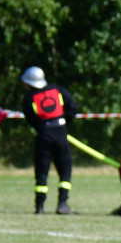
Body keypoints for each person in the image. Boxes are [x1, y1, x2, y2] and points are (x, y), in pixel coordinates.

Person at [21, 66, 79, 214]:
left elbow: (30, 119)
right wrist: (65, 125)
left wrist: (42, 128)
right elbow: (72, 107)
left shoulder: (29, 98)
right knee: (65, 171)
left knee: (42, 172)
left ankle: (39, 207)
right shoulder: (58, 90)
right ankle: (62, 205)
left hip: (43, 136)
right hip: (60, 135)